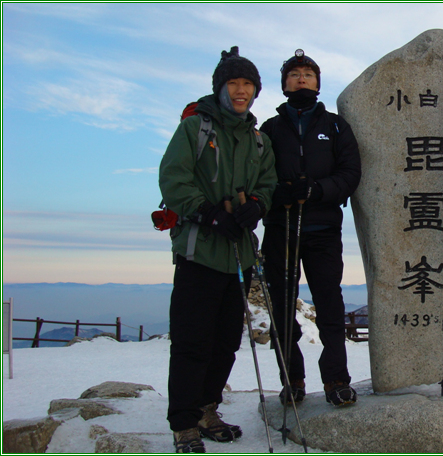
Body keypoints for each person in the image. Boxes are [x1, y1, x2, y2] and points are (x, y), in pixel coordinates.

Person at [159, 46, 277, 453]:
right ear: (220, 87)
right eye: (234, 83)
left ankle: (208, 408)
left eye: (248, 84)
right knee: (193, 340)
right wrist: (208, 213)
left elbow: (268, 182)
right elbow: (174, 179)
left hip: (238, 255)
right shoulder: (196, 129)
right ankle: (185, 423)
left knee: (226, 339)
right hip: (200, 251)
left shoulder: (258, 140)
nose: (241, 91)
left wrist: (257, 207)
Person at [259, 49, 361, 407]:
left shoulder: (335, 126)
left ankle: (336, 379)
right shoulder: (268, 129)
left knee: (330, 307)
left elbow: (350, 174)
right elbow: (255, 176)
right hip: (280, 228)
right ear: (284, 83)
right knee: (283, 310)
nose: (301, 78)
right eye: (294, 74)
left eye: (308, 74)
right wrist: (277, 193)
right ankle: (293, 379)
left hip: (322, 231)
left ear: (318, 83)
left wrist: (318, 190)